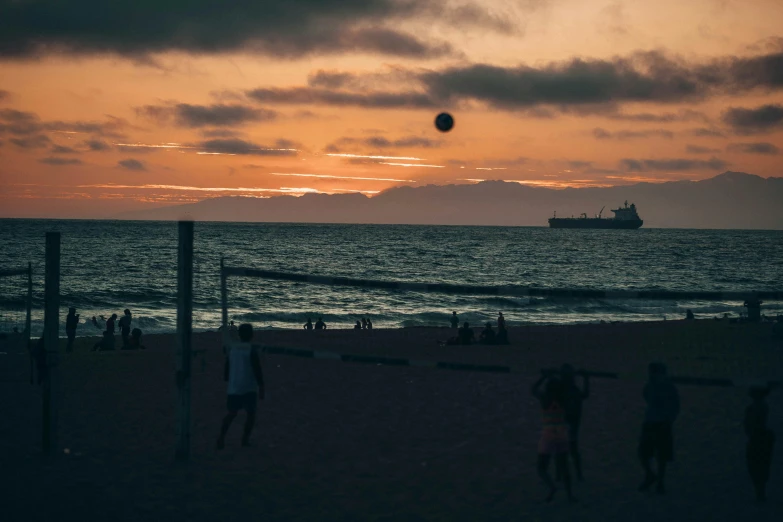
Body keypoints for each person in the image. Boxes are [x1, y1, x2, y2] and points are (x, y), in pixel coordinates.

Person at [217, 323, 264, 450]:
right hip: (249, 387)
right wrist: (262, 386)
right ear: (251, 335)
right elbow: (257, 370)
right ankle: (244, 440)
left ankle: (221, 437)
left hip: (235, 387)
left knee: (232, 413)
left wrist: (227, 378)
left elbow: (227, 366)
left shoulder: (233, 348)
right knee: (250, 414)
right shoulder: (250, 349)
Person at [531, 372, 576, 503]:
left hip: (548, 434)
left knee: (541, 467)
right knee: (564, 466)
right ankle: (569, 495)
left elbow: (533, 389)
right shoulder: (564, 400)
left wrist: (543, 377)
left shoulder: (545, 399)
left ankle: (552, 487)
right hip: (561, 434)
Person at [638, 362, 680, 494]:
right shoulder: (652, 385)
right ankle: (653, 477)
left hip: (660, 422)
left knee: (660, 455)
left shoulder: (666, 386)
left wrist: (669, 419)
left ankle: (658, 480)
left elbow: (675, 405)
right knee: (645, 453)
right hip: (652, 422)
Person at [558, 364, 589, 482]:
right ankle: (573, 474)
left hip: (569, 421)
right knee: (567, 449)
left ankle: (576, 474)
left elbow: (584, 395)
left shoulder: (570, 390)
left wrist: (586, 379)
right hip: (566, 421)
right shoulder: (568, 389)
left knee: (569, 450)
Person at [744, 386, 775, 502]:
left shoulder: (756, 408)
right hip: (759, 438)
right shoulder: (759, 408)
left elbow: (749, 426)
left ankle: (760, 493)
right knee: (759, 467)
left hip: (758, 438)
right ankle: (760, 493)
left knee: (757, 466)